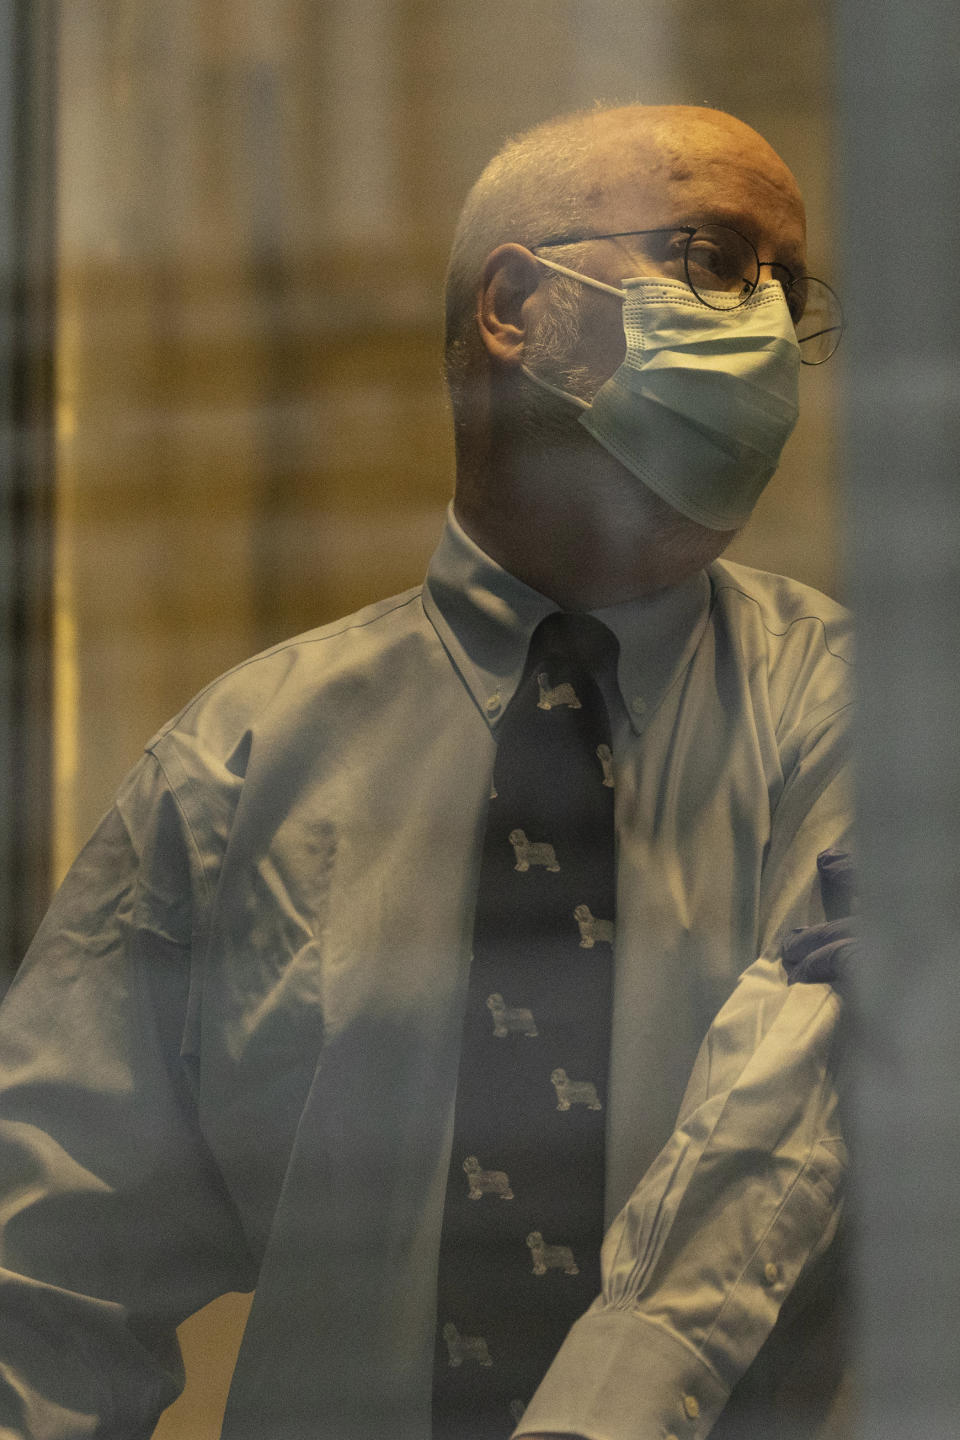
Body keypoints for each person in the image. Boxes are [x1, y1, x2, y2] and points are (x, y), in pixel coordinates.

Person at [0, 104, 853, 1439]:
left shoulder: (864, 721)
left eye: (786, 293)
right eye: (714, 259)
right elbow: (42, 1287)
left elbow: (796, 1123)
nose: (766, 331)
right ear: (518, 306)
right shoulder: (237, 772)